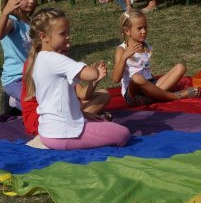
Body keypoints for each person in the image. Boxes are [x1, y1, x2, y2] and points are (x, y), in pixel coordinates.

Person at [24, 8, 130, 150]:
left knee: (103, 124)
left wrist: (83, 114)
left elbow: (61, 100)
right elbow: (91, 74)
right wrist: (95, 70)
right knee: (122, 133)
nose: (68, 37)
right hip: (63, 134)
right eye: (62, 33)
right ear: (44, 37)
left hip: (48, 131)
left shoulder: (39, 59)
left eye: (68, 32)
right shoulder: (55, 59)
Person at [112, 9, 201, 106]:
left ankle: (152, 97)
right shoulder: (122, 50)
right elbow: (116, 79)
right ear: (127, 31)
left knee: (180, 67)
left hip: (150, 84)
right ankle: (176, 96)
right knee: (137, 78)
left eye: (145, 27)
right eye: (139, 28)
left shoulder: (145, 45)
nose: (144, 31)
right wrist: (124, 57)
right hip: (133, 92)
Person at [0, 0, 37, 107]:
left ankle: (14, 102)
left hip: (33, 77)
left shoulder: (30, 22)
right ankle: (11, 101)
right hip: (15, 79)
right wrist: (5, 12)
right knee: (34, 104)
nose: (31, 1)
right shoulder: (12, 21)